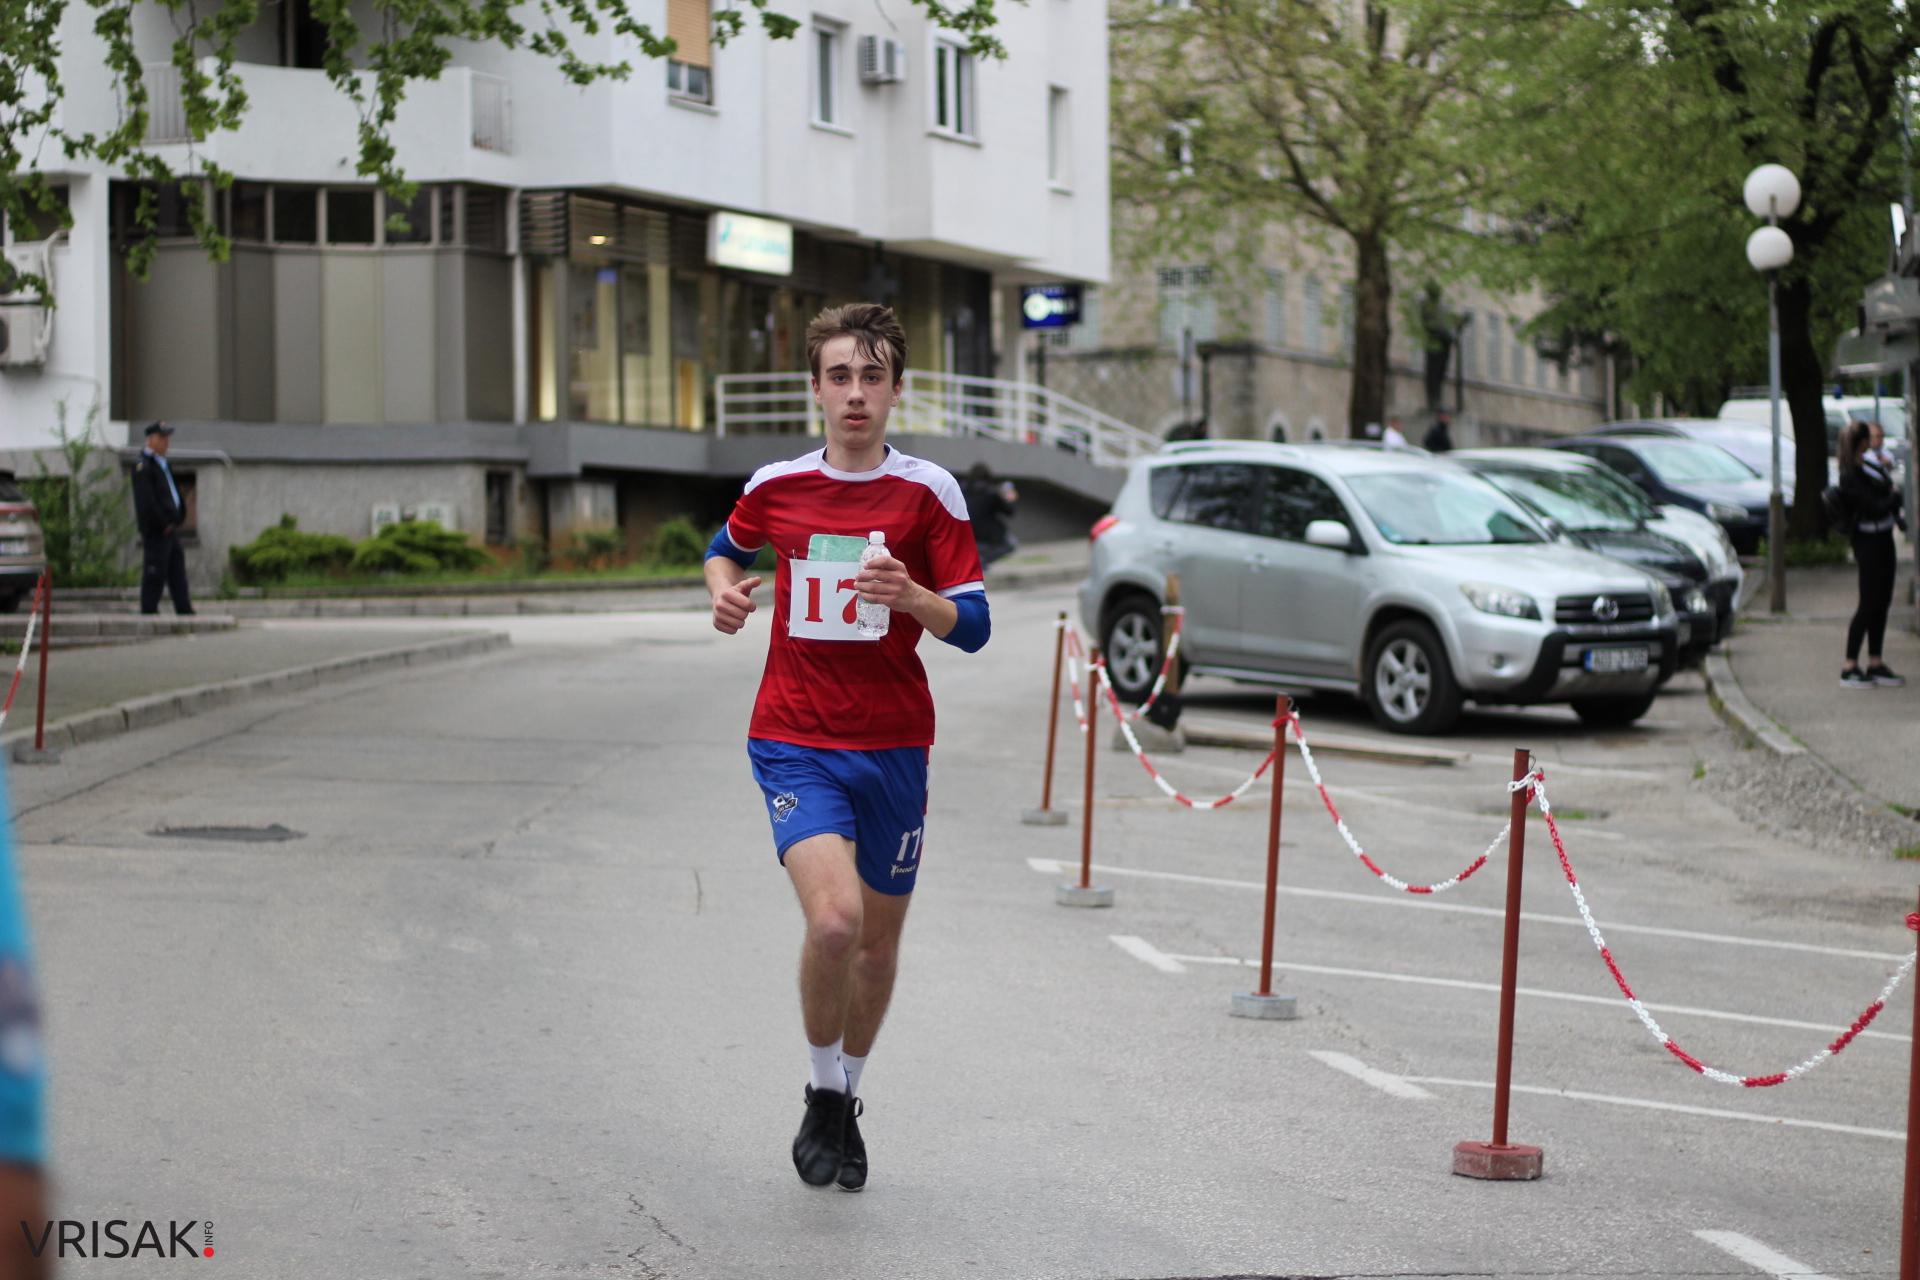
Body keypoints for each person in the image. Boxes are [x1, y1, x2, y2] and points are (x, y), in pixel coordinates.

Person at [703, 303, 990, 1193]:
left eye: (872, 377)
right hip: (794, 735)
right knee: (835, 923)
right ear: (817, 390)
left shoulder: (929, 492)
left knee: (876, 947)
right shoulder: (778, 484)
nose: (855, 394)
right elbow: (725, 548)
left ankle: (842, 1096)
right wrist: (725, 593)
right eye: (839, 376)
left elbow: (973, 626)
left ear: (897, 390)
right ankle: (824, 1085)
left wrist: (913, 596)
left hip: (896, 743)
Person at [1837, 419, 1904, 689]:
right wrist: (1893, 499)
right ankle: (1850, 665)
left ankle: (1875, 661)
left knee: (1882, 600)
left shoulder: (1869, 466)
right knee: (1868, 602)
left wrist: (1890, 499)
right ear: (1863, 441)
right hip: (1868, 541)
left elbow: (1885, 492)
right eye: (1871, 437)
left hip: (1883, 537)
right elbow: (1874, 505)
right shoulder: (1850, 474)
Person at [131, 422, 194, 616]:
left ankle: (184, 610)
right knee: (155, 571)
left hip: (170, 528)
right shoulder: (143, 465)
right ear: (151, 440)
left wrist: (179, 515)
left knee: (177, 570)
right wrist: (163, 523)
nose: (167, 442)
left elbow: (172, 493)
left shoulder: (162, 463)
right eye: (163, 438)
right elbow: (147, 502)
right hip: (157, 530)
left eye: (168, 438)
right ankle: (149, 610)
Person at [961, 462, 1018, 568]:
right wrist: (1010, 499)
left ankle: (978, 560)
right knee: (1011, 544)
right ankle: (981, 561)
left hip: (966, 533)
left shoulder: (962, 490)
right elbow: (1009, 511)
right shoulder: (991, 493)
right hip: (989, 536)